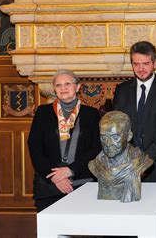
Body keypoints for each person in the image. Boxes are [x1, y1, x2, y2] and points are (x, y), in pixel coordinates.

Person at [28, 69, 101, 212]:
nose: (63, 88)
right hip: (49, 185)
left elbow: (97, 147)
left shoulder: (91, 114)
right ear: (54, 89)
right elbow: (34, 146)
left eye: (67, 84)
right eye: (58, 85)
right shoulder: (43, 112)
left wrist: (71, 170)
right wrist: (56, 177)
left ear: (78, 87)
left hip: (82, 183)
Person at [113, 41, 156, 182]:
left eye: (145, 63)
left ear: (154, 64)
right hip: (128, 166)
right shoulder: (121, 90)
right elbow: (118, 128)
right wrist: (131, 158)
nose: (141, 68)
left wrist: (145, 159)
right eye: (136, 64)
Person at [88, 111, 154, 203]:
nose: (108, 144)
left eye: (115, 137)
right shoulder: (94, 165)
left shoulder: (142, 161)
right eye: (103, 137)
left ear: (129, 136)